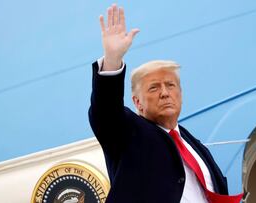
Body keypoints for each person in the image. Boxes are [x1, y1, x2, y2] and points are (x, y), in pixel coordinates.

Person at [88, 3, 244, 203]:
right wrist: (112, 59)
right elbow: (106, 111)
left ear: (180, 93)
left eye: (170, 85)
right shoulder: (129, 133)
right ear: (137, 102)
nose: (164, 93)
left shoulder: (192, 143)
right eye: (154, 88)